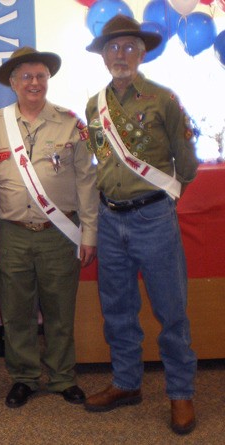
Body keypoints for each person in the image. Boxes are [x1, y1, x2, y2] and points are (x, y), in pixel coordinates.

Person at [83, 15, 199, 435]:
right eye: (113, 47)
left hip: (152, 217)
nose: (121, 54)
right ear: (103, 55)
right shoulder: (94, 105)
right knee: (117, 308)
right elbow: (102, 161)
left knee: (170, 310)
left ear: (143, 51)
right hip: (110, 218)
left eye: (129, 46)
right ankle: (127, 383)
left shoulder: (163, 99)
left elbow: (186, 165)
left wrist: (158, 199)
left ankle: (181, 392)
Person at [0, 47, 98, 408]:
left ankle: (63, 377)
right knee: (17, 313)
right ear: (13, 83)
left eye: (40, 76)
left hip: (60, 233)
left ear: (48, 80)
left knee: (60, 310)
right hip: (12, 232)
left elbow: (87, 182)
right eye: (26, 77)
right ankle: (24, 378)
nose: (34, 83)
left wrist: (90, 234)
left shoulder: (71, 123)